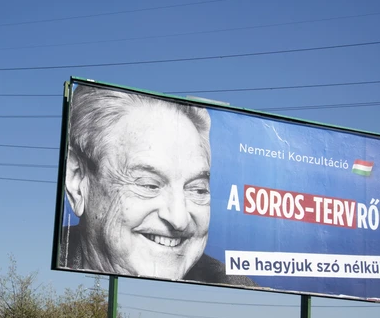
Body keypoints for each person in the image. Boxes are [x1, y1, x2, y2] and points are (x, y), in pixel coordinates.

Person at [59, 84, 255, 287]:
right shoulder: (37, 262)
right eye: (149, 185)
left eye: (197, 189)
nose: (179, 220)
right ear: (77, 180)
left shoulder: (236, 283)